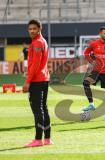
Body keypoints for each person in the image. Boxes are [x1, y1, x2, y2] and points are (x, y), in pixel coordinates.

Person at [22, 19, 53, 147]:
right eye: (30, 29)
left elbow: (35, 65)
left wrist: (27, 82)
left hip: (37, 80)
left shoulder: (37, 43)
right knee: (44, 108)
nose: (32, 31)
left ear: (40, 29)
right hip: (44, 79)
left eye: (34, 29)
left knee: (37, 110)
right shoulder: (42, 41)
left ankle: (38, 140)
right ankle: (47, 138)